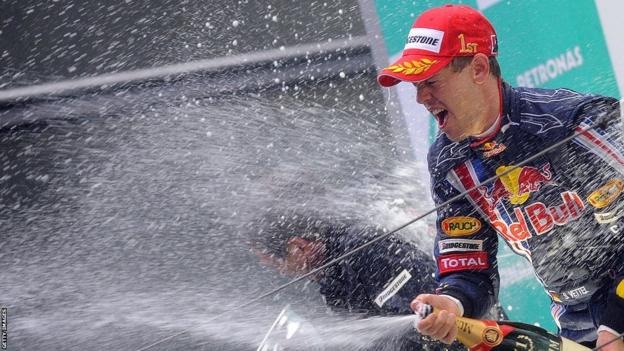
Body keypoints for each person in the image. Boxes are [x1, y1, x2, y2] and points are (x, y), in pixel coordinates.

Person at [376, 4, 624, 350]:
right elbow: (469, 264)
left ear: (478, 68)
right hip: (574, 319)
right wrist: (453, 302)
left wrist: (616, 327)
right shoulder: (449, 160)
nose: (421, 98)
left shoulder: (571, 122)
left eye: (431, 81)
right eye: (416, 86)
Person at [254, 210, 472, 350]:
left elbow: (425, 317)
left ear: (298, 246)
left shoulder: (363, 250)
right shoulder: (332, 284)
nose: (282, 272)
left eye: (276, 263)